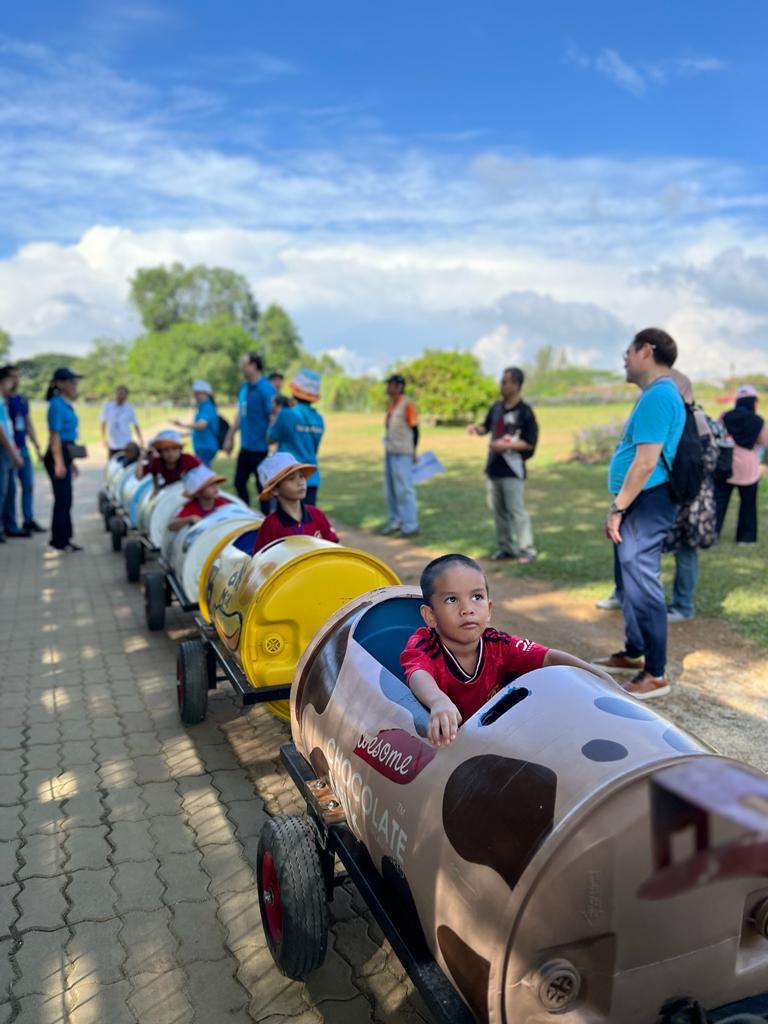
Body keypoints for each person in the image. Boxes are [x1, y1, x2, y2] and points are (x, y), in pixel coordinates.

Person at [400, 553, 617, 747]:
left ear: (489, 609)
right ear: (430, 616)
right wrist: (438, 702)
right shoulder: (424, 644)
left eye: (476, 597)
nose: (467, 609)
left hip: (492, 739)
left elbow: (549, 658)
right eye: (452, 599)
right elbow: (418, 673)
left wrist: (600, 677)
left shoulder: (498, 644)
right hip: (450, 746)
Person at [592, 328, 685, 700]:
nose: (624, 361)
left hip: (648, 500)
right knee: (628, 577)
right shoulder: (656, 394)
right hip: (639, 499)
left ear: (646, 350)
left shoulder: (659, 395)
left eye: (627, 353)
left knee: (642, 581)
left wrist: (618, 508)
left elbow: (646, 462)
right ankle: (634, 652)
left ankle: (656, 672)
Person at [595, 369, 718, 624]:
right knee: (630, 545)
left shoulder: (696, 418)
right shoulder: (661, 409)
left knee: (683, 549)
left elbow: (708, 458)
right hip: (662, 491)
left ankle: (682, 606)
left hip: (688, 496)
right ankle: (625, 595)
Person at [467, 367, 538, 563]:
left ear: (516, 385)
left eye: (505, 382)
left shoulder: (525, 412)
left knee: (516, 511)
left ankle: (527, 549)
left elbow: (530, 443)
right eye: (502, 381)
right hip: (494, 468)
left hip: (512, 470)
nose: (501, 385)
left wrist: (507, 446)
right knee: (498, 511)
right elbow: (486, 426)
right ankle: (506, 547)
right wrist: (476, 429)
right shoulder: (496, 407)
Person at [252, 452, 338, 554]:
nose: (300, 482)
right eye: (291, 478)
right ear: (275, 490)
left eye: (301, 476)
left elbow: (336, 549)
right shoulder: (270, 525)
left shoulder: (317, 515)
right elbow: (261, 560)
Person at [714, 384, 768, 545]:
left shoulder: (725, 416)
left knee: (719, 501)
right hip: (748, 466)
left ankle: (711, 533)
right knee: (748, 503)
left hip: (725, 463)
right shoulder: (758, 421)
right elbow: (763, 441)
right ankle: (746, 538)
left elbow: (715, 433)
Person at [223, 353, 276, 514]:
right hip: (246, 447)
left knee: (264, 489)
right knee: (239, 482)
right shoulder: (245, 388)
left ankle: (267, 521)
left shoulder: (266, 389)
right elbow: (240, 413)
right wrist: (230, 437)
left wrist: (272, 444)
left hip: (262, 449)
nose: (241, 366)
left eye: (243, 363)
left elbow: (273, 416)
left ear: (253, 365)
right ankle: (246, 516)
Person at [268, 369, 325, 505]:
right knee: (307, 516)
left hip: (288, 478)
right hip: (311, 477)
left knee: (286, 517)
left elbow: (270, 438)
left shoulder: (286, 414)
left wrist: (274, 416)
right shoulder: (319, 419)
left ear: (294, 391)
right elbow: (314, 448)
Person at [44, 367, 84, 552]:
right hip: (58, 454)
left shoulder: (65, 404)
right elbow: (55, 436)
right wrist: (59, 462)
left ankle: (64, 538)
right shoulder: (56, 405)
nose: (74, 385)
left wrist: (70, 461)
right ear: (60, 384)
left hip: (66, 453)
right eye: (71, 382)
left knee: (66, 499)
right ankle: (59, 540)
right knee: (62, 499)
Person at [2, 365, 43, 536]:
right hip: (8, 449)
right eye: (12, 377)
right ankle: (9, 524)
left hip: (22, 447)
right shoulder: (3, 400)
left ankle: (28, 519)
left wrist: (36, 445)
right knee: (7, 490)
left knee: (28, 484)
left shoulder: (21, 400)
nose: (15, 381)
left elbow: (27, 422)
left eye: (17, 377)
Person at [381, 374, 419, 538]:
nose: (387, 388)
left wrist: (414, 450)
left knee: (404, 489)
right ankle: (395, 521)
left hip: (403, 452)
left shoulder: (407, 405)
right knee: (390, 489)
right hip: (390, 451)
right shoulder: (391, 404)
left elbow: (415, 430)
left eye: (390, 384)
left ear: (399, 387)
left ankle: (410, 525)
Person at [0, 367, 25, 543]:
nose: (13, 383)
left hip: (8, 449)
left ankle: (10, 526)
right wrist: (13, 453)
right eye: (10, 380)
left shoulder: (4, 401)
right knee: (2, 491)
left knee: (10, 490)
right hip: (3, 450)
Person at [172, 380, 220, 467]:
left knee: (202, 473)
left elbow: (201, 425)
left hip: (205, 447)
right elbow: (200, 429)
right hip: (203, 447)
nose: (195, 396)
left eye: (197, 393)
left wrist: (182, 424)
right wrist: (183, 434)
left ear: (205, 393)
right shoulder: (203, 407)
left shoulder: (207, 407)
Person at [168, 466, 230, 531]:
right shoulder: (191, 507)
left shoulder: (221, 503)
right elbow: (171, 526)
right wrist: (190, 518)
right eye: (210, 485)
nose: (215, 487)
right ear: (197, 493)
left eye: (216, 484)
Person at [135, 431, 200, 490]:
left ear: (180, 450)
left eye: (175, 449)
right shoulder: (156, 463)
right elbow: (139, 476)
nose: (171, 453)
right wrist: (141, 457)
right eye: (166, 450)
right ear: (160, 452)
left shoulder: (188, 460)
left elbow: (202, 477)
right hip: (168, 494)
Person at [100, 386, 143, 457]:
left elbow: (136, 425)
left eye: (123, 394)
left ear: (126, 396)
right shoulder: (108, 407)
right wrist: (103, 439)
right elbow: (103, 423)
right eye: (119, 393)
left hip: (126, 443)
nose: (120, 396)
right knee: (112, 462)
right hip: (113, 444)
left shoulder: (130, 408)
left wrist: (140, 440)